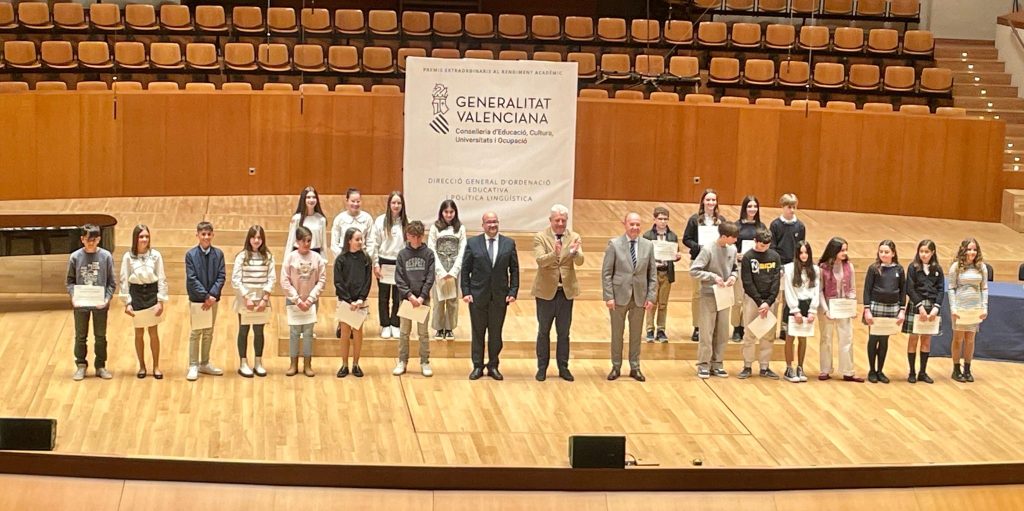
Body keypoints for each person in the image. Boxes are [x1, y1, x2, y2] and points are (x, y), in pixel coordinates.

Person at [462, 211, 520, 381]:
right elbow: (465, 270)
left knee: (496, 334)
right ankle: (477, 366)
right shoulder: (473, 243)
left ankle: (493, 365)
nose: (492, 225)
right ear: (483, 225)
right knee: (478, 333)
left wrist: (513, 291)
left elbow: (514, 270)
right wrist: (466, 291)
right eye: (489, 222)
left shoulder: (509, 244)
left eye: (495, 221)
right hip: (477, 296)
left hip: (499, 297)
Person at [532, 204, 584, 382]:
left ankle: (563, 367)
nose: (560, 223)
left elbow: (580, 261)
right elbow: (540, 261)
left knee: (564, 333)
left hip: (565, 293)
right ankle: (542, 368)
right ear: (550, 220)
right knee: (543, 332)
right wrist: (555, 254)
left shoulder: (574, 237)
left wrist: (575, 253)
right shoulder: (540, 237)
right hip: (545, 292)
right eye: (557, 220)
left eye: (563, 220)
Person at [602, 212, 657, 382]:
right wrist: (609, 296)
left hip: (639, 297)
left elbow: (652, 274)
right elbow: (606, 273)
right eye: (631, 224)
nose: (635, 227)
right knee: (617, 334)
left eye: (637, 224)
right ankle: (616, 366)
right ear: (624, 224)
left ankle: (635, 367)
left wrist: (651, 297)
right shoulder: (614, 244)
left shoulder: (648, 245)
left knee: (636, 334)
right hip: (619, 296)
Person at [67, 223, 117, 381]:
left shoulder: (106, 256)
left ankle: (100, 366)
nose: (91, 242)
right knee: (80, 337)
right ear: (82, 239)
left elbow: (111, 283)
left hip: (100, 304)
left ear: (99, 239)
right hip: (81, 304)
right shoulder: (75, 257)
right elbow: (70, 281)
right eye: (88, 239)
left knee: (100, 336)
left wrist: (106, 299)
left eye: (94, 240)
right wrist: (73, 297)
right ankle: (81, 365)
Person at [690, 222, 739, 379]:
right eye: (733, 237)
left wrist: (733, 277)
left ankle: (717, 363)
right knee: (707, 331)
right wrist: (712, 277)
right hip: (709, 295)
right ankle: (703, 364)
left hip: (724, 294)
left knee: (723, 331)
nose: (735, 240)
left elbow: (735, 268)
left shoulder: (732, 249)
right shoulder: (708, 249)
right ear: (724, 236)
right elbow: (694, 270)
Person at [120, 224, 168, 380]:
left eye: (147, 236)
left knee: (153, 333)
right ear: (135, 238)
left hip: (152, 294)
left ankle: (156, 366)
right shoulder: (128, 257)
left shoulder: (155, 255)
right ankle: (142, 366)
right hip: (137, 294)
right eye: (141, 236)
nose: (144, 239)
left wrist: (161, 301)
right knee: (139, 333)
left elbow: (161, 278)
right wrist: (127, 302)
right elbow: (124, 279)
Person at [682, 189, 729, 342]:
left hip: (716, 262)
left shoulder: (721, 220)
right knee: (698, 294)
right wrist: (698, 247)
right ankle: (697, 326)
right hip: (699, 260)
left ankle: (713, 325)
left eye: (713, 200)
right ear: (703, 201)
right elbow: (686, 239)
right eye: (708, 200)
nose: (711, 202)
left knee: (716, 293)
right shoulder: (694, 219)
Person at [280, 226, 327, 377]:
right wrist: (296, 299)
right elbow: (285, 280)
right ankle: (293, 364)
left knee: (308, 333)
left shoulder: (317, 258)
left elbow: (322, 280)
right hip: (294, 302)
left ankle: (307, 364)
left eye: (309, 241)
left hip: (310, 302)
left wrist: (311, 298)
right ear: (297, 241)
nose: (306, 244)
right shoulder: (291, 258)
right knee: (294, 333)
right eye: (303, 241)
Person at [231, 225, 276, 378]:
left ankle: (258, 362)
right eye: (253, 237)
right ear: (249, 239)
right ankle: (243, 362)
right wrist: (246, 298)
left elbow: (272, 279)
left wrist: (265, 298)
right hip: (245, 301)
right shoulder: (241, 256)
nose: (256, 240)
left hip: (261, 301)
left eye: (259, 238)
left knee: (259, 331)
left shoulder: (268, 257)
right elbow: (236, 280)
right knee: (243, 330)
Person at [737, 227, 781, 380]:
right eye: (762, 245)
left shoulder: (775, 256)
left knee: (768, 335)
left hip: (769, 301)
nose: (764, 248)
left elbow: (776, 280)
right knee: (750, 333)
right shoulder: (748, 257)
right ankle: (747, 365)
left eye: (767, 245)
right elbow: (747, 282)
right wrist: (759, 301)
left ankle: (764, 366)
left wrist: (768, 302)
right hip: (752, 300)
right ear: (755, 241)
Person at [184, 221, 226, 382]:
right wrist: (205, 296)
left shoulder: (219, 254)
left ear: (213, 235)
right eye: (203, 234)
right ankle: (193, 364)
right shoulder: (190, 255)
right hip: (198, 300)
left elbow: (221, 276)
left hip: (213, 300)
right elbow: (192, 278)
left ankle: (205, 363)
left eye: (209, 234)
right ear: (197, 235)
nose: (206, 237)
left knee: (208, 332)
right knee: (196, 332)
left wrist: (213, 295)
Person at [817, 237, 863, 382]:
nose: (845, 253)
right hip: (828, 306)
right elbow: (819, 291)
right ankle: (825, 369)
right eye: (842, 250)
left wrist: (852, 307)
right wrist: (826, 310)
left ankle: (848, 371)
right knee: (826, 338)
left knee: (847, 338)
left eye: (846, 250)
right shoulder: (822, 268)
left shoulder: (849, 266)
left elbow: (852, 289)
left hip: (844, 306)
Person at [394, 221, 436, 377]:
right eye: (413, 236)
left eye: (419, 237)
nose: (416, 240)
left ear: (422, 236)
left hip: (423, 300)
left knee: (423, 333)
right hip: (407, 300)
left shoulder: (429, 254)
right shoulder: (402, 255)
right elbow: (399, 278)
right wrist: (410, 296)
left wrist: (422, 297)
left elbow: (430, 278)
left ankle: (425, 361)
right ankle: (402, 361)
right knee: (404, 332)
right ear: (407, 236)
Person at [862, 240, 906, 384]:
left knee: (884, 340)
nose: (883, 254)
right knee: (873, 338)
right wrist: (867, 309)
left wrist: (902, 310)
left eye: (886, 252)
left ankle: (880, 370)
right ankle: (872, 370)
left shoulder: (899, 269)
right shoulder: (874, 268)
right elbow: (867, 289)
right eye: (881, 251)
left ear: (893, 253)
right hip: (876, 306)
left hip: (892, 308)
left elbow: (903, 290)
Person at [366, 191, 408, 340]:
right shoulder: (380, 221)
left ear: (402, 205)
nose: (396, 206)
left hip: (400, 263)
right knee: (383, 296)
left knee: (398, 296)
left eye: (399, 203)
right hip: (384, 261)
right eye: (393, 203)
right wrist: (376, 263)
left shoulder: (406, 222)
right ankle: (385, 324)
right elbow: (374, 244)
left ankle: (395, 324)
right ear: (389, 204)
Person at [948, 238, 988, 383]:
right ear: (963, 250)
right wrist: (953, 308)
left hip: (974, 308)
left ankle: (967, 369)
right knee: (958, 339)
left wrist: (984, 307)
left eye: (974, 249)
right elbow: (951, 288)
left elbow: (984, 288)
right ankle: (956, 369)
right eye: (969, 249)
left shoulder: (981, 267)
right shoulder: (956, 267)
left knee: (970, 340)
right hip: (960, 308)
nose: (972, 252)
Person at [904, 240, 943, 384]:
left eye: (927, 252)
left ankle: (923, 372)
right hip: (916, 306)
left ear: (932, 253)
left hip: (932, 308)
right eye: (921, 251)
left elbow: (940, 289)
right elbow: (910, 288)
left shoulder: (937, 269)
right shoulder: (913, 267)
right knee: (913, 339)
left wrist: (936, 308)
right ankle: (912, 372)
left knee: (926, 340)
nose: (924, 254)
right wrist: (919, 306)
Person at [335, 227, 372, 378]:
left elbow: (367, 281)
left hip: (360, 301)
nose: (360, 242)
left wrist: (361, 299)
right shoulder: (341, 259)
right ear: (349, 241)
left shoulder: (366, 259)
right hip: (346, 302)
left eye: (361, 239)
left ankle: (356, 364)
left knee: (358, 333)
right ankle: (344, 364)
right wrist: (349, 300)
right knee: (345, 333)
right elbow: (338, 282)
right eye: (357, 239)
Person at [428, 199, 467, 341]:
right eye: (446, 212)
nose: (449, 215)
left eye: (451, 212)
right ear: (441, 212)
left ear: (455, 212)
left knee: (452, 300)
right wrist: (440, 271)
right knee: (439, 300)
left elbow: (463, 249)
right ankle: (439, 328)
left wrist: (454, 270)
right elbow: (431, 248)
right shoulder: (435, 228)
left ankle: (449, 328)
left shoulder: (460, 228)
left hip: (454, 270)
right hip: (439, 270)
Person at [782, 241, 820, 383]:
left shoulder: (815, 270)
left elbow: (816, 290)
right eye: (801, 252)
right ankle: (789, 368)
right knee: (790, 337)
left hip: (807, 306)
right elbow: (789, 290)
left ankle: (800, 367)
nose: (804, 255)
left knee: (803, 338)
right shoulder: (789, 269)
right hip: (794, 306)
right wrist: (795, 310)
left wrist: (812, 310)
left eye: (806, 252)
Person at [770, 193, 806, 340]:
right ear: (783, 207)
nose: (792, 210)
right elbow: (772, 247)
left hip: (793, 267)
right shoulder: (775, 225)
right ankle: (771, 329)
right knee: (775, 299)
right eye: (789, 207)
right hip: (779, 266)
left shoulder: (800, 226)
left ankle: (784, 328)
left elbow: (801, 247)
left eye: (794, 207)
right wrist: (779, 266)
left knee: (788, 299)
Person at [642, 206, 681, 343]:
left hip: (666, 272)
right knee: (651, 302)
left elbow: (675, 253)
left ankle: (661, 329)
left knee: (663, 303)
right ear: (654, 219)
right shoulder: (647, 236)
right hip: (653, 273)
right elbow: (643, 255)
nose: (663, 221)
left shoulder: (672, 236)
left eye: (665, 219)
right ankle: (649, 329)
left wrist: (677, 256)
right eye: (660, 219)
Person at [732, 195, 764, 342]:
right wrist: (736, 254)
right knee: (738, 299)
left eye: (755, 206)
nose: (752, 209)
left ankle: (746, 326)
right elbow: (730, 245)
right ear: (744, 208)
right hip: (740, 266)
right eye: (749, 206)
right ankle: (736, 327)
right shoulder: (737, 226)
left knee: (750, 299)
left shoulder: (761, 227)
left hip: (755, 267)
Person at [330, 187, 374, 259]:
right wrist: (342, 258)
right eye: (353, 201)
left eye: (358, 201)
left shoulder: (367, 218)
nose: (355, 204)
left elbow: (371, 242)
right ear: (347, 201)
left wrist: (366, 258)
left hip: (362, 257)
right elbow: (334, 243)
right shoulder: (339, 219)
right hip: (343, 257)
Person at [285, 186, 328, 256]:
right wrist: (287, 259)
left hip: (315, 254)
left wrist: (324, 259)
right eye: (308, 197)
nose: (311, 200)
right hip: (298, 255)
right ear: (303, 199)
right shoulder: (296, 218)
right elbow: (290, 241)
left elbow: (323, 244)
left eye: (314, 197)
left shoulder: (321, 219)